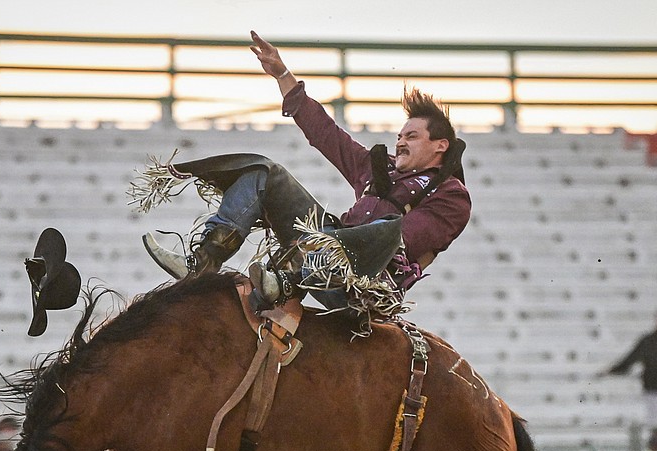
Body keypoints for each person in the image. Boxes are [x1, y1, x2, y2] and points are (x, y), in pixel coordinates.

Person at [137, 31, 470, 313]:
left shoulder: (452, 195)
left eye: (411, 137)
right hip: (321, 250)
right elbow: (326, 134)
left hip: (361, 284)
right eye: (399, 136)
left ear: (440, 146)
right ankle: (204, 263)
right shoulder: (376, 170)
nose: (399, 142)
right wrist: (283, 76)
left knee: (380, 229)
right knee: (265, 172)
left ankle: (285, 280)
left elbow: (401, 237)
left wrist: (331, 241)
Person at [602, 305, 657, 438]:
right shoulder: (648, 341)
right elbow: (631, 358)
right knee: (656, 426)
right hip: (654, 390)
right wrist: (613, 370)